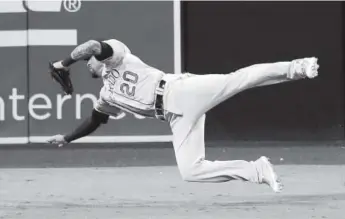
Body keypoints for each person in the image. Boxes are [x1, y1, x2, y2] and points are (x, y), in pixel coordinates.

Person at [47, 38, 319, 193]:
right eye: (85, 63)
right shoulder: (107, 95)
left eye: (88, 62)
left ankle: (297, 67)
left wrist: (64, 62)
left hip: (179, 90)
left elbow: (93, 46)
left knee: (238, 80)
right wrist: (67, 138)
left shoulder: (117, 56)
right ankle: (256, 170)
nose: (88, 63)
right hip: (175, 118)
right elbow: (96, 120)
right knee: (191, 171)